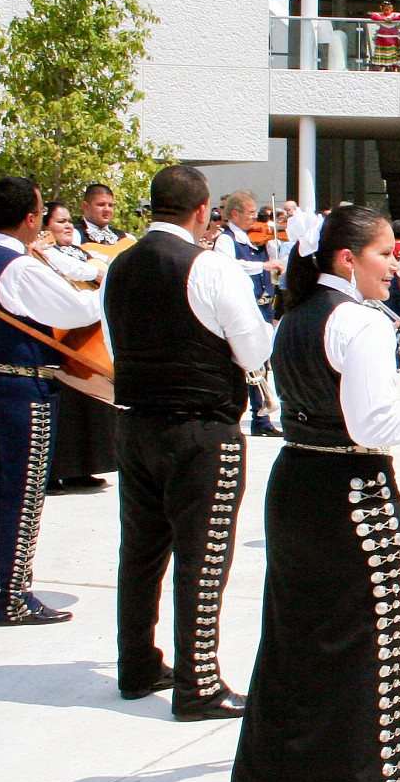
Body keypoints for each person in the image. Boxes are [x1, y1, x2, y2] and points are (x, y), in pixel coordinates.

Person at [230, 205, 400, 782]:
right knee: (369, 644)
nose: (396, 265)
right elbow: (373, 427)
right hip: (353, 492)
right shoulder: (359, 324)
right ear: (347, 260)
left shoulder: (296, 316)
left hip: (296, 487)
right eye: (386, 254)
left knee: (297, 643)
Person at [102, 165, 272, 718]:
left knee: (141, 550)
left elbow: (112, 340)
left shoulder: (117, 267)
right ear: (203, 212)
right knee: (204, 556)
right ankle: (198, 684)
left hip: (135, 423)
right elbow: (252, 351)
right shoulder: (213, 268)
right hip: (200, 427)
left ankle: (137, 663)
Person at [0, 176, 102, 627]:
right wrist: (101, 285)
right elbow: (80, 312)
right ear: (30, 218)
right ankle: (14, 596)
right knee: (23, 494)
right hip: (22, 390)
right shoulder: (18, 266)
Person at [34, 201, 117, 492]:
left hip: (86, 336)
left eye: (70, 221)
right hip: (60, 335)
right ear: (45, 227)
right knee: (63, 407)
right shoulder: (42, 256)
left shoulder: (84, 254)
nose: (68, 226)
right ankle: (55, 471)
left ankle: (83, 468)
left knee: (89, 406)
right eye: (59, 222)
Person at [209, 190, 284, 436]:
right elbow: (229, 267)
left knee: (261, 361)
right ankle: (233, 414)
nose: (256, 218)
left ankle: (261, 418)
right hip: (241, 306)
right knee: (242, 362)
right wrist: (262, 265)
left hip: (263, 304)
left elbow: (275, 264)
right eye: (251, 213)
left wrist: (274, 250)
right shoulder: (226, 240)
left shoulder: (260, 240)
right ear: (234, 214)